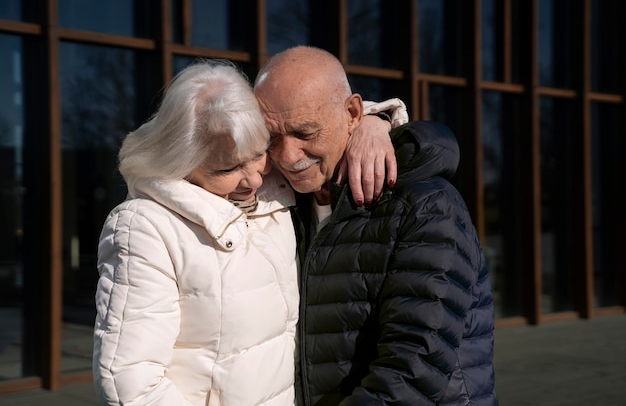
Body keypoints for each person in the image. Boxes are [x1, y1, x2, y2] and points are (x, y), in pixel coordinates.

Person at [92, 59, 405, 406]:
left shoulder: (274, 185)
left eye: (258, 153)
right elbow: (129, 383)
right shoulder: (146, 227)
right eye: (228, 168)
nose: (254, 178)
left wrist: (372, 125)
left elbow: (321, 116)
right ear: (182, 159)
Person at [254, 46, 498, 406]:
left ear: (352, 113)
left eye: (306, 133)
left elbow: (413, 369)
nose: (288, 156)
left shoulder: (426, 206)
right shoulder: (281, 202)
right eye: (271, 137)